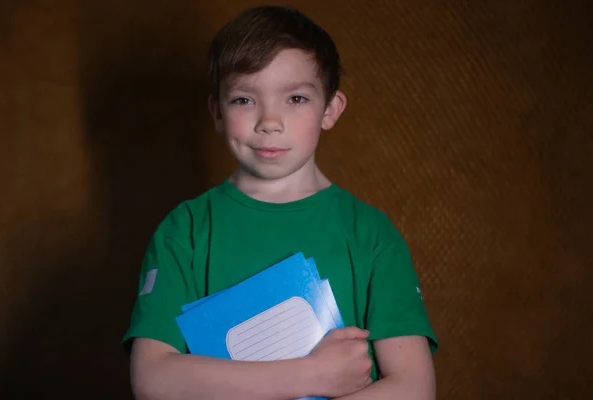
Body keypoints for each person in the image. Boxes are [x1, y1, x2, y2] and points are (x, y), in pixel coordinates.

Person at [122, 5, 438, 400]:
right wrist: (310, 375)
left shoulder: (371, 234)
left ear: (331, 109)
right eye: (243, 100)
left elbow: (414, 387)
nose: (269, 121)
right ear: (217, 111)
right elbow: (152, 379)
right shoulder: (183, 230)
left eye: (296, 98)